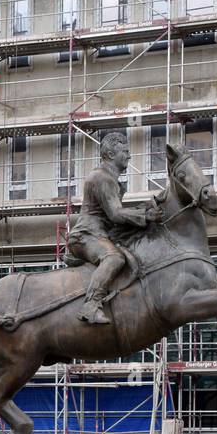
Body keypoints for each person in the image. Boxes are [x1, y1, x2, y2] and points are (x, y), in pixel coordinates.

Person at [68, 131, 162, 325]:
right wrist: (144, 215)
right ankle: (91, 305)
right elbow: (116, 214)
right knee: (114, 258)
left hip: (101, 235)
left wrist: (145, 208)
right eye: (125, 151)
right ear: (111, 155)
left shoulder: (110, 179)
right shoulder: (102, 178)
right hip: (86, 236)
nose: (129, 156)